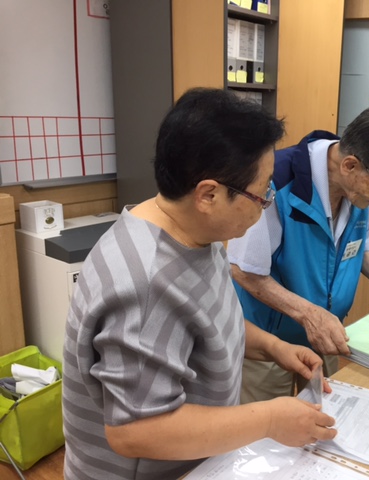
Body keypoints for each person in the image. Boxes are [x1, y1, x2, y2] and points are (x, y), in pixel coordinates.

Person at [62, 88, 337, 480]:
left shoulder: (192, 233)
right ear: (209, 194)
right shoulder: (146, 284)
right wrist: (269, 419)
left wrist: (274, 347)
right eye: (262, 194)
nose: (266, 203)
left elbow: (204, 323)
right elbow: (134, 431)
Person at [227, 105, 369, 403]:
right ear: (349, 166)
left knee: (325, 414)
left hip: (325, 334)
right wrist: (309, 314)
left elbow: (357, 244)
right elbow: (243, 270)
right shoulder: (274, 181)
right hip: (267, 343)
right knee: (266, 426)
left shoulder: (363, 187)